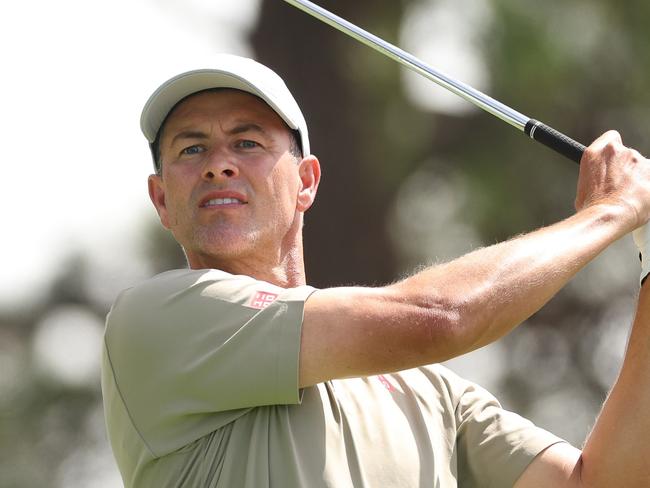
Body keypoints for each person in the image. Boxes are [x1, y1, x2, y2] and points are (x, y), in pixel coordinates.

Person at [101, 53, 650, 487]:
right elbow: (440, 317)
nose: (219, 163)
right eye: (191, 149)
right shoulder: (154, 322)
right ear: (162, 200)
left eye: (246, 142)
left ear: (307, 182)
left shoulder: (431, 390)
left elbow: (601, 482)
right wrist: (615, 210)